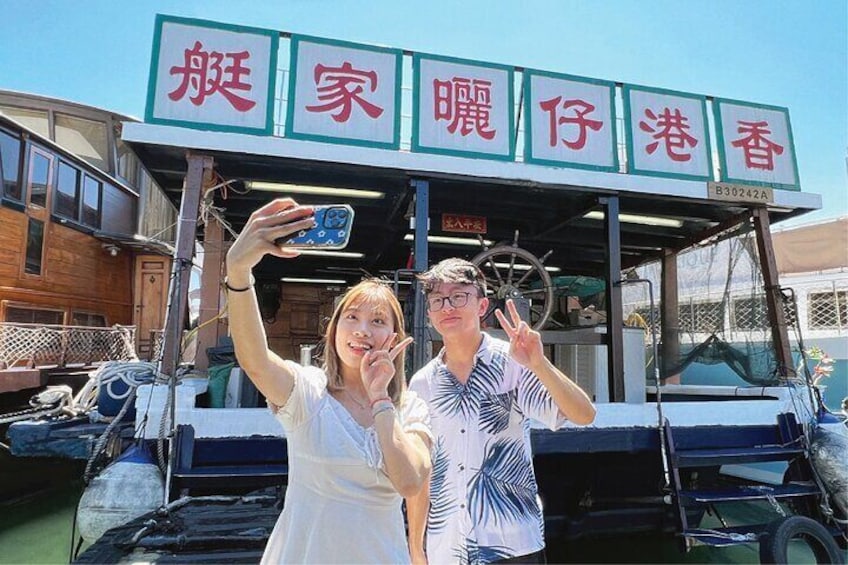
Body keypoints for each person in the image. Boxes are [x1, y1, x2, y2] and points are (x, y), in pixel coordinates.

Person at [225, 198, 432, 564]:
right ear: (335, 330)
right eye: (351, 317)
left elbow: (410, 482)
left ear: (396, 337)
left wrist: (381, 399)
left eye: (379, 321)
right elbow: (256, 362)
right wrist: (238, 273)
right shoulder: (308, 393)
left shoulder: (410, 408)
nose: (362, 330)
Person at [406, 258, 596, 564]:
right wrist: (417, 546)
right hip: (447, 548)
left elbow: (584, 415)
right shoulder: (422, 384)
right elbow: (422, 472)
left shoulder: (513, 363)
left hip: (513, 544)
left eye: (458, 296)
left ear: (482, 306)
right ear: (429, 313)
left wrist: (539, 363)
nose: (447, 306)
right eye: (438, 299)